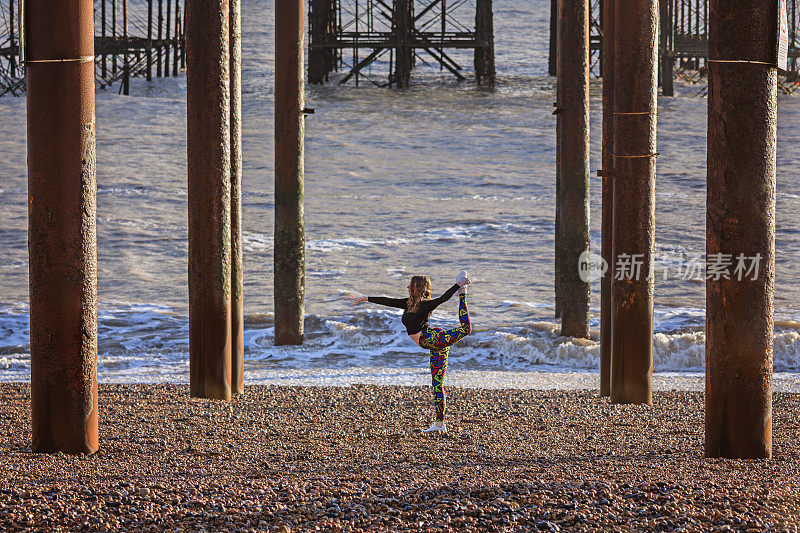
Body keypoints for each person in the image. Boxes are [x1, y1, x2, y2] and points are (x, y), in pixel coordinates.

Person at [349, 270, 472, 433]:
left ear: (418, 288)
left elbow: (443, 298)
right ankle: (440, 424)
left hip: (433, 339)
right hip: (432, 344)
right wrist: (365, 298)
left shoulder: (426, 305)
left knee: (466, 329)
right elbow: (387, 301)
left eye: (411, 285)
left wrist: (458, 286)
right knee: (437, 384)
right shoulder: (408, 303)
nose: (408, 287)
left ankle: (462, 294)